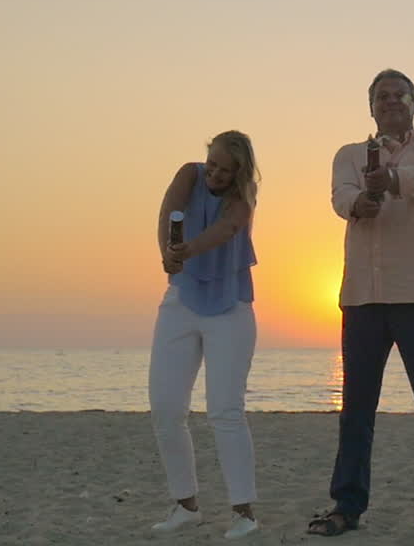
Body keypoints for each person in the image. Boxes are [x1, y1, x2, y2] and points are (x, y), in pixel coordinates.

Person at [307, 69, 414, 545]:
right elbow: (340, 196)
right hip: (362, 298)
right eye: (383, 96)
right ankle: (347, 505)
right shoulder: (349, 154)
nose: (392, 101)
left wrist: (392, 178)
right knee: (356, 411)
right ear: (371, 107)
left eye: (401, 94)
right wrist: (361, 202)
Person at [148, 131, 262, 539]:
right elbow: (169, 210)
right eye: (212, 164)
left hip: (230, 309)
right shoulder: (189, 175)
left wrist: (189, 250)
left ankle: (244, 513)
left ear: (239, 173)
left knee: (225, 411)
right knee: (165, 408)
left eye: (224, 170)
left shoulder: (242, 199)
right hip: (180, 302)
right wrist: (168, 251)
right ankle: (185, 505)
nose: (214, 174)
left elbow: (226, 229)